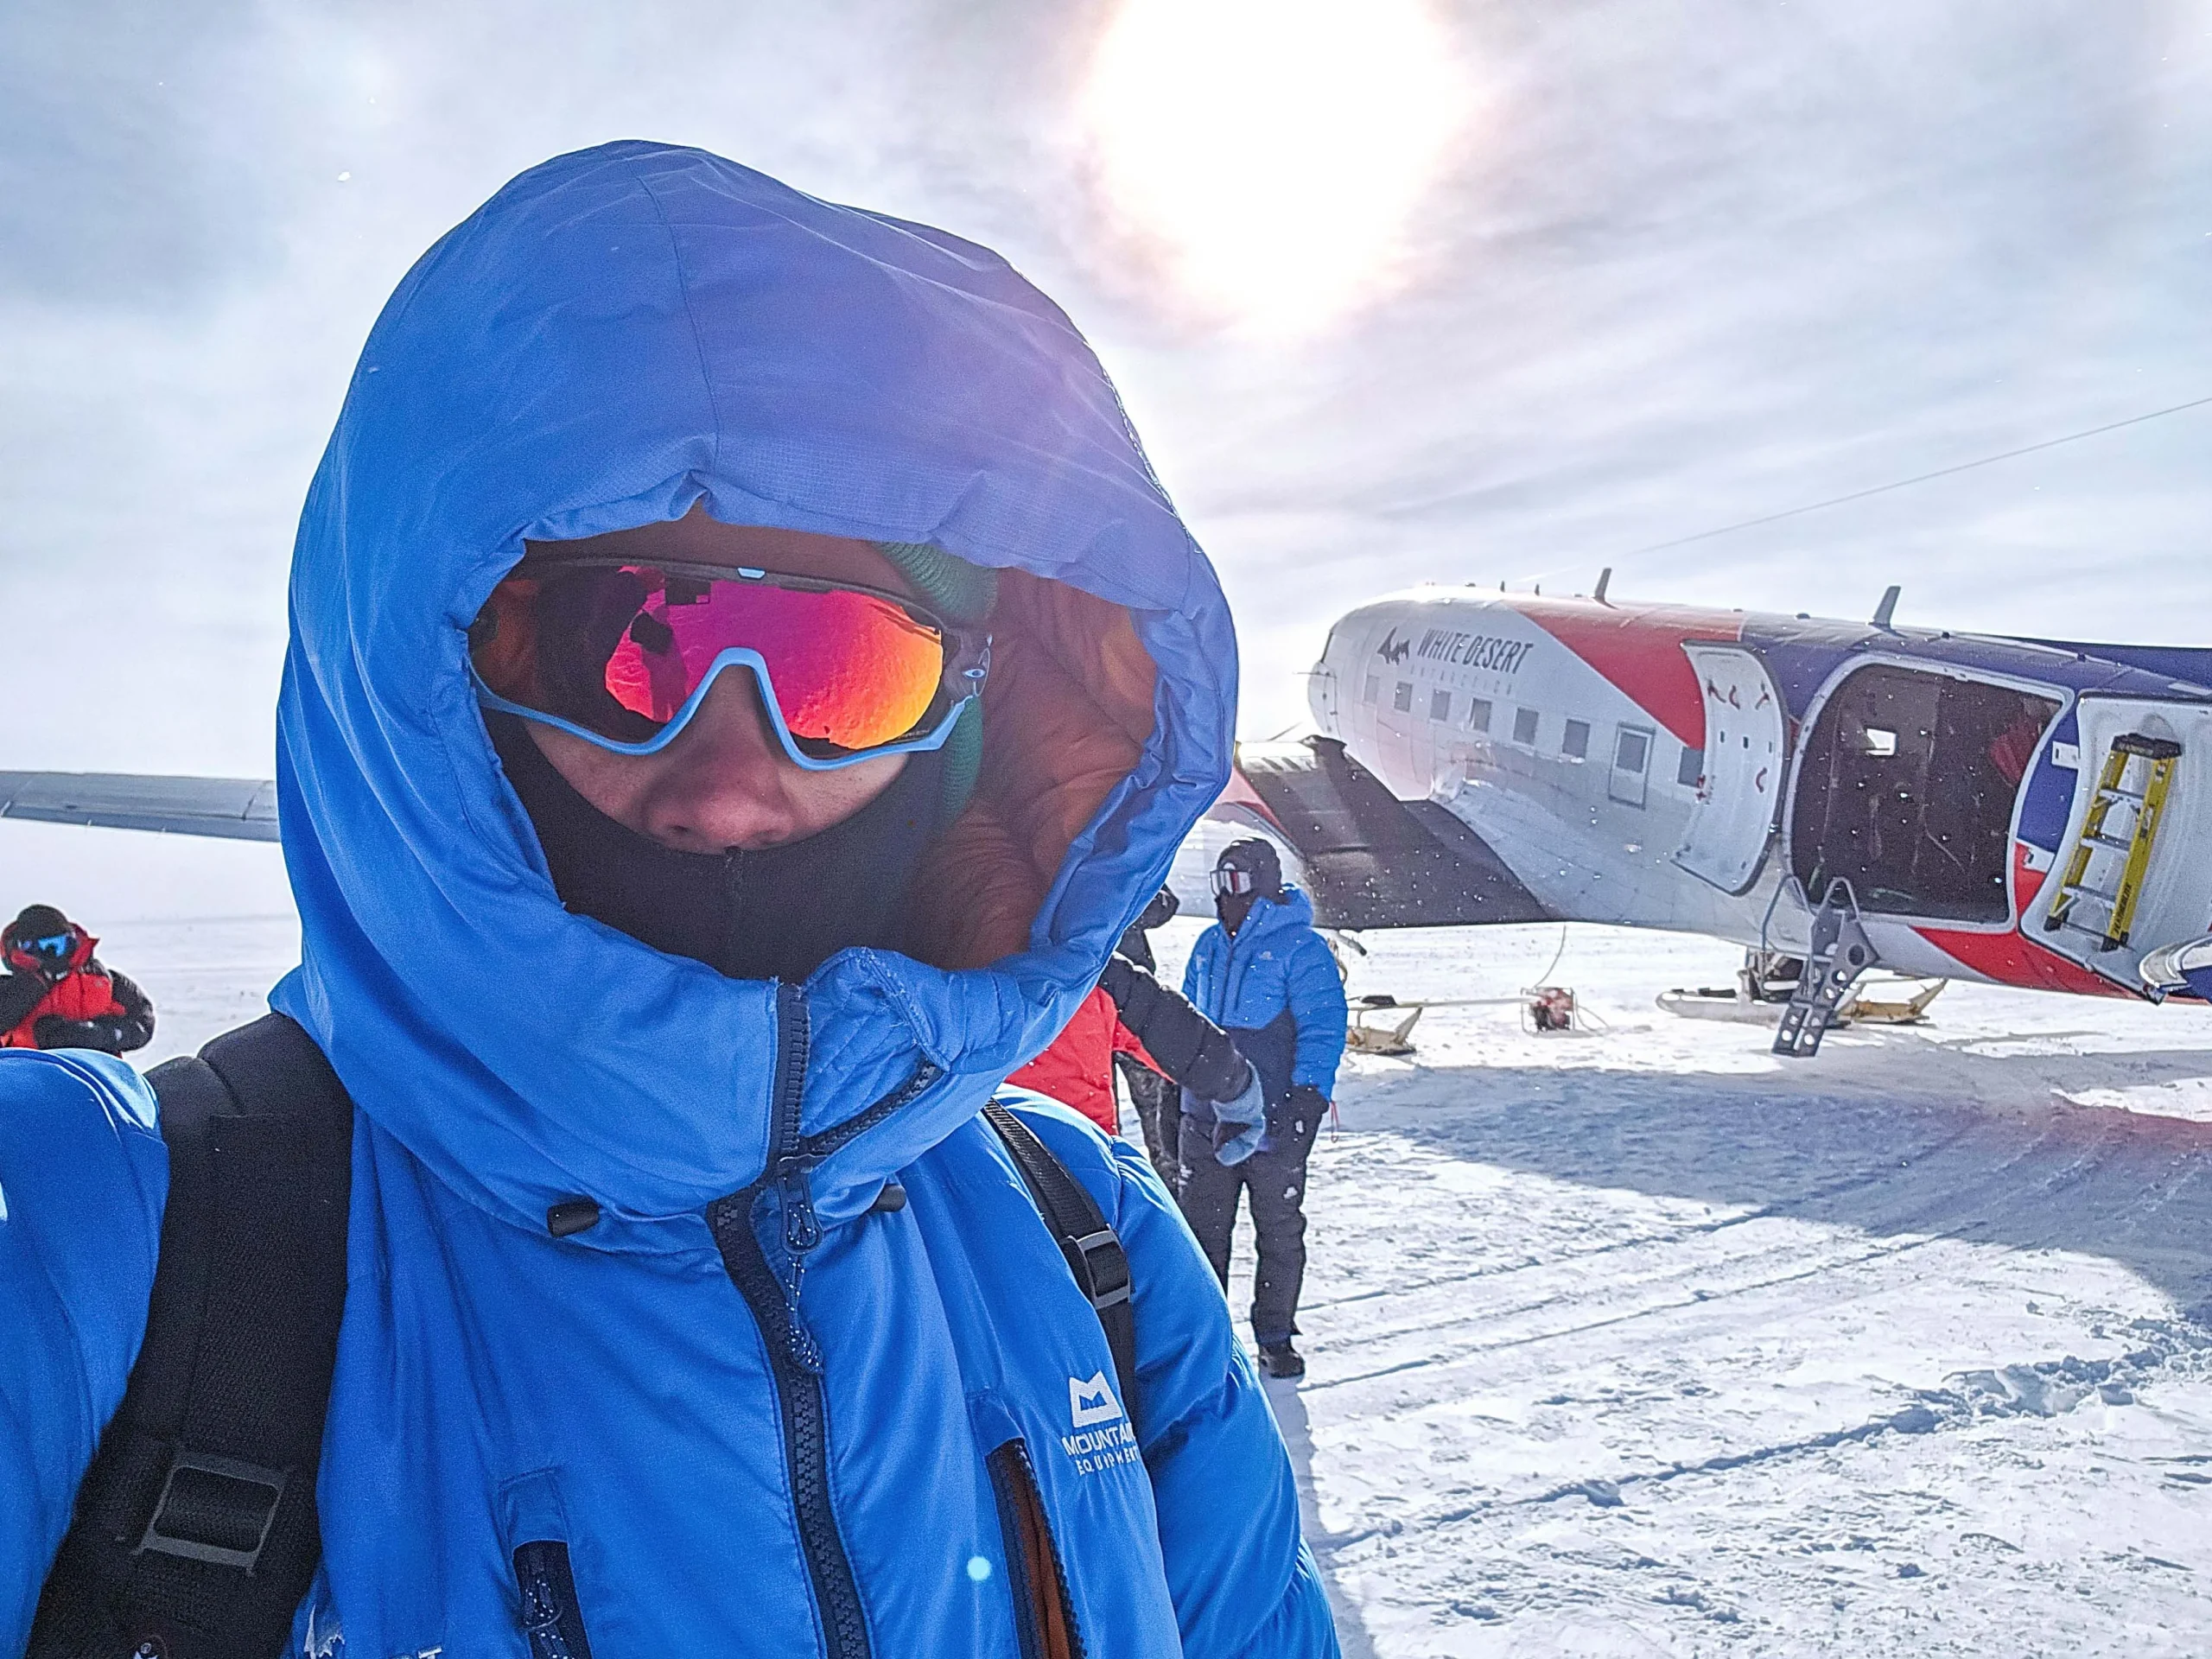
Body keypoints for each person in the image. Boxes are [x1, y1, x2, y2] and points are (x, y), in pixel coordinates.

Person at [1, 143, 1338, 1658]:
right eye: (616, 644)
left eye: (844, 672)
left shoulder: (1095, 1246)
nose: (726, 787)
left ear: (968, 719)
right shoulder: (100, 1248)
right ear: (437, 677)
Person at [1179, 840, 1348, 1381]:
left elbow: (1323, 1026)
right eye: (1219, 882)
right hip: (1205, 1116)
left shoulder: (1301, 949)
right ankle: (1205, 1338)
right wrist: (1174, 1094)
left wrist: (1308, 1097)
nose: (1225, 896)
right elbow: (1182, 1024)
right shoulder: (1206, 945)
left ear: (1265, 886)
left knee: (1277, 1228)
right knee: (1200, 1231)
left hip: (1275, 1117)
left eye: (1237, 882)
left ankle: (1276, 1335)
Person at [1006, 937, 1258, 1140]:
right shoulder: (1090, 972)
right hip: (1078, 1155)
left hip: (995, 1152)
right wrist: (1237, 1088)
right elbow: (1174, 1035)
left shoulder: (1093, 973)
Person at [1110, 887, 1192, 1182]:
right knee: (1095, 1112)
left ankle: (1172, 1187)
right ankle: (1103, 1187)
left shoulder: (1124, 869)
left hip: (1132, 1005)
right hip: (1087, 1008)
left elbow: (1165, 906)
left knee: (1158, 1109)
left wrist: (1129, 898)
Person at [0, 905, 155, 1055]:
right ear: (22, 948)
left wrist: (98, 1034)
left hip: (96, 1070)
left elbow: (143, 1024)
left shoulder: (105, 981)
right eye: (41, 947)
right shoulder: (11, 989)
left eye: (58, 945)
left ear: (71, 942)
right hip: (28, 1070)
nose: (51, 954)